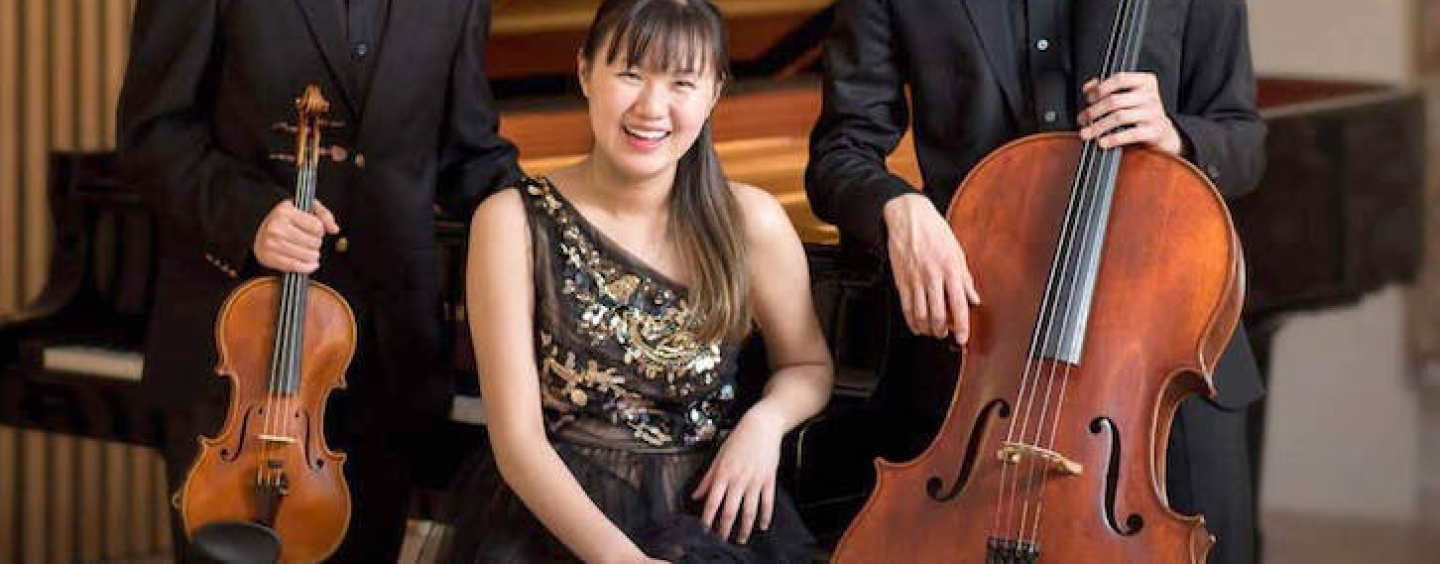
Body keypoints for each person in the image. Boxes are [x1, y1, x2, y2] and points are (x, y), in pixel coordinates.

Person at [805, 0, 1266, 562]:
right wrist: (896, 207)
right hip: (986, 362)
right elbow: (840, 152)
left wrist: (1177, 136)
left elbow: (1244, 142)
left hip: (1158, 365)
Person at [426, 0, 833, 561]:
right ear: (585, 72)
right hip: (557, 521)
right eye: (630, 74)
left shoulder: (751, 221)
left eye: (682, 82)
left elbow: (808, 367)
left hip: (709, 512)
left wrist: (764, 425)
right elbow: (517, 442)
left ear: (715, 92)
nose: (651, 107)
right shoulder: (511, 221)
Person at [116, 0, 521, 560]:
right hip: (238, 369)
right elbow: (152, 134)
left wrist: (578, 226)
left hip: (384, 361)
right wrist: (249, 216)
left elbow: (468, 155)